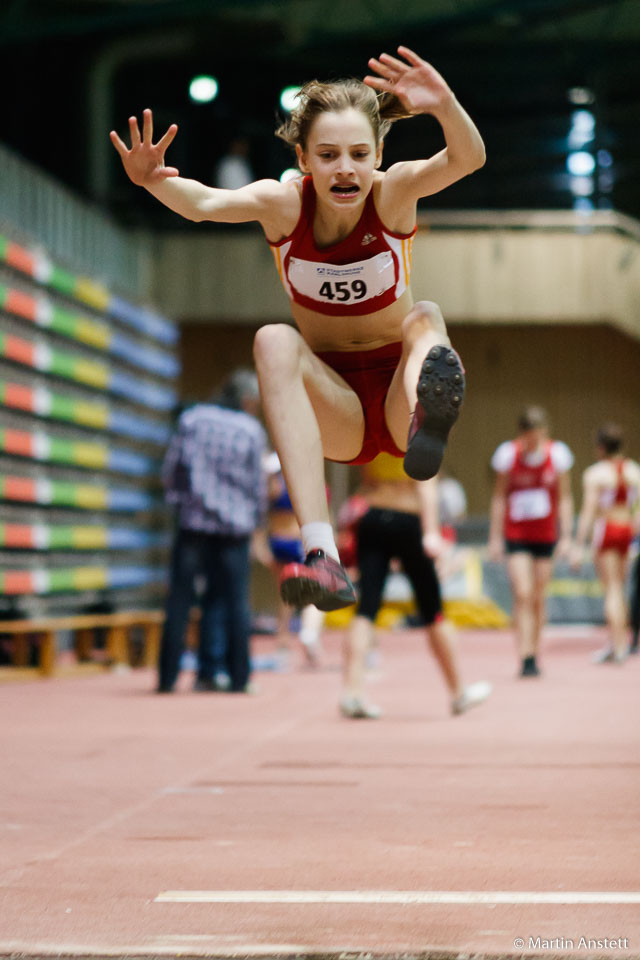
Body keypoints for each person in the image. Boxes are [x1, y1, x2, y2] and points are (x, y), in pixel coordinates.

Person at [110, 45, 485, 614]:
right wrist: (152, 182)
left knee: (425, 316)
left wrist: (446, 105)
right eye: (329, 155)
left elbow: (467, 159)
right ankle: (323, 557)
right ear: (305, 160)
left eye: (360, 154)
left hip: (396, 394)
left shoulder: (395, 192)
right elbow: (205, 204)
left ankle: (427, 414)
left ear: (379, 155)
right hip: (337, 408)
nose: (346, 169)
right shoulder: (284, 206)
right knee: (273, 338)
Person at [341, 452, 492, 719]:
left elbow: (365, 473)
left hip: (373, 515)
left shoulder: (372, 424)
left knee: (366, 608)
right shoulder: (417, 424)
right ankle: (458, 692)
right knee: (433, 610)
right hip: (408, 518)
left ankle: (352, 693)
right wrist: (431, 530)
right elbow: (426, 481)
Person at [157, 368, 268, 693]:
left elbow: (172, 469)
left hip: (192, 526)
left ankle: (167, 678)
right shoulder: (250, 430)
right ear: (247, 400)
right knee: (235, 603)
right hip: (234, 530)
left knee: (179, 600)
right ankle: (239, 678)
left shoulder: (192, 419)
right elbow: (256, 485)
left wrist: (181, 504)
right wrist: (256, 522)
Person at [488, 406, 574, 678]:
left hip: (545, 535)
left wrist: (567, 537)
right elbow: (499, 496)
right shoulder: (507, 455)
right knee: (522, 594)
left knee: (538, 596)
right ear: (521, 434)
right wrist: (495, 538)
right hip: (517, 535)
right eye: (528, 437)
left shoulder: (557, 456)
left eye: (537, 437)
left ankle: (535, 653)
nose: (532, 443)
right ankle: (523, 655)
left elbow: (565, 498)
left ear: (544, 433)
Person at [571, 424, 640, 664]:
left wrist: (578, 544)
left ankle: (619, 646)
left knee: (610, 589)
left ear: (600, 448)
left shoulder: (595, 474)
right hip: (627, 529)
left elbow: (589, 511)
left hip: (607, 529)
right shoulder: (634, 471)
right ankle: (617, 644)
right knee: (619, 589)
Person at [264, 451, 324, 669]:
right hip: (294, 541)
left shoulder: (273, 487)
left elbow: (264, 516)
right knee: (311, 588)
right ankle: (308, 632)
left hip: (277, 540)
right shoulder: (299, 485)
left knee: (284, 595)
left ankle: (282, 641)